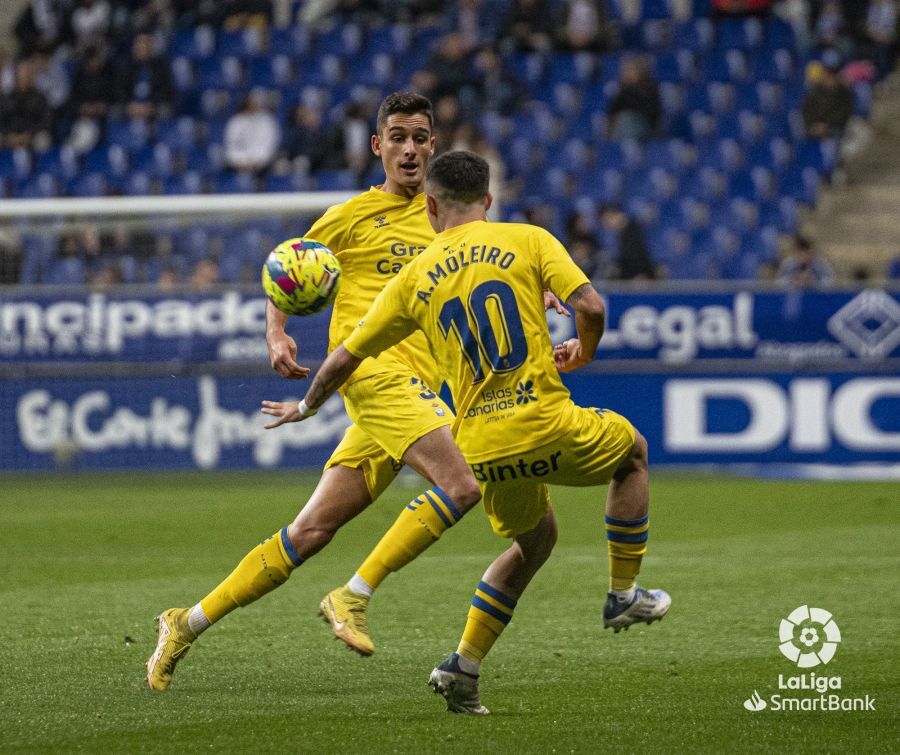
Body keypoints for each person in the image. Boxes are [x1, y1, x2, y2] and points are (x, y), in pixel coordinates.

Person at [262, 150, 670, 714]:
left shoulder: (413, 277)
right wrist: (583, 351)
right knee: (634, 454)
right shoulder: (528, 239)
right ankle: (623, 594)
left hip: (482, 449)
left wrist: (307, 407)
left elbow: (343, 359)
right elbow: (591, 306)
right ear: (489, 200)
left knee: (534, 541)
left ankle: (463, 667)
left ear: (430, 206)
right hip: (546, 422)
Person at [147, 92, 506, 691]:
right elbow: (284, 268)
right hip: (372, 377)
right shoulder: (350, 217)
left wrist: (540, 290)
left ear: (434, 147)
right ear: (377, 146)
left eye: (420, 138)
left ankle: (185, 622)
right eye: (398, 138)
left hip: (418, 392)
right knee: (462, 484)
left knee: (309, 533)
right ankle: (353, 595)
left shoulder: (448, 217)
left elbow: (493, 267)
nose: (409, 149)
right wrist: (277, 332)